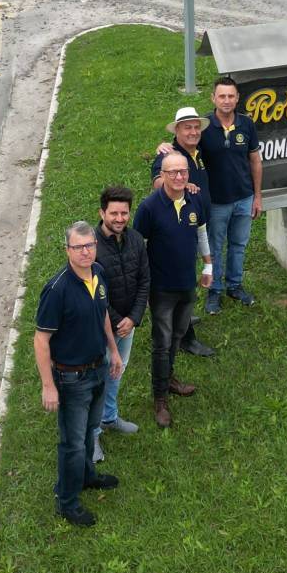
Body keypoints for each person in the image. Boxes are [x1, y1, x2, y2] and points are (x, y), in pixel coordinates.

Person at [32, 220, 125, 527]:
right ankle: (67, 501)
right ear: (67, 250)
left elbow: (102, 317)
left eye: (90, 245)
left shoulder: (98, 274)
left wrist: (113, 350)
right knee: (72, 442)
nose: (85, 252)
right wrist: (49, 386)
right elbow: (41, 339)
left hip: (98, 368)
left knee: (89, 432)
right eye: (78, 247)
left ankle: (86, 476)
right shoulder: (57, 289)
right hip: (71, 379)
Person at [134, 152, 213, 428]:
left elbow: (201, 233)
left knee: (178, 335)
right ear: (163, 176)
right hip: (161, 289)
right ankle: (160, 399)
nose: (179, 177)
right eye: (173, 172)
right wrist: (142, 288)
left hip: (186, 284)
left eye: (183, 172)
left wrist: (208, 267)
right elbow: (137, 249)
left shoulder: (195, 200)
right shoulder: (149, 208)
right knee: (161, 343)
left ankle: (169, 380)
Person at [150, 109, 220, 355]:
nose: (192, 132)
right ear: (176, 131)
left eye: (195, 127)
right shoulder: (170, 155)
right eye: (187, 128)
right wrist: (176, 183)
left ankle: (183, 318)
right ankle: (185, 338)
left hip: (197, 220)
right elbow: (157, 180)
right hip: (180, 228)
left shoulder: (197, 152)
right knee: (184, 278)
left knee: (187, 277)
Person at [91, 185, 148, 461]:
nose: (120, 218)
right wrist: (117, 321)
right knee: (96, 380)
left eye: (124, 213)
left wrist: (133, 319)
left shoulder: (136, 240)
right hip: (100, 327)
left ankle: (109, 417)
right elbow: (92, 293)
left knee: (117, 371)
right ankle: (91, 437)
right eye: (113, 213)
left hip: (128, 324)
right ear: (102, 213)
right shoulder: (89, 247)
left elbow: (144, 281)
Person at [201, 77, 263, 313]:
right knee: (215, 248)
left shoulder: (246, 124)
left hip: (244, 198)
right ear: (213, 98)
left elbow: (255, 160)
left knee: (238, 244)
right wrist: (163, 148)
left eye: (231, 96)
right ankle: (214, 291)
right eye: (221, 96)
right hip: (216, 202)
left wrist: (257, 196)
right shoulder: (204, 125)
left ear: (237, 99)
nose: (226, 101)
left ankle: (234, 285)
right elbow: (183, 146)